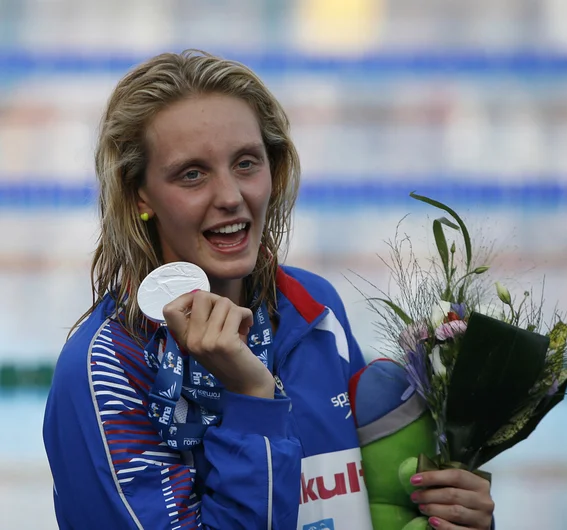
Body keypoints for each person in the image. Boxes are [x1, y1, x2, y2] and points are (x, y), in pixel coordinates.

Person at [42, 50, 495, 530]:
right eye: (192, 173)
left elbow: (378, 505)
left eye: (245, 163)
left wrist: (451, 514)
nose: (231, 197)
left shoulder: (313, 309)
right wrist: (252, 402)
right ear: (140, 195)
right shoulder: (106, 370)